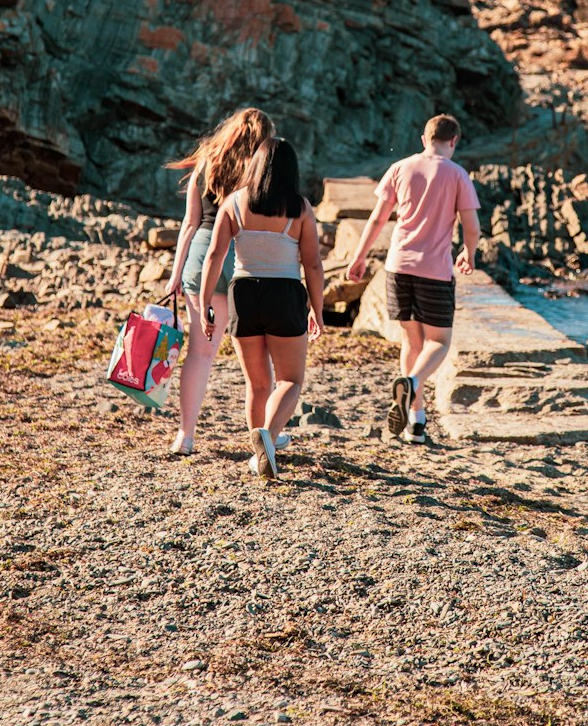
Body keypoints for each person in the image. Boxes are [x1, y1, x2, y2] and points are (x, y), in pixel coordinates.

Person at [347, 114, 480, 444]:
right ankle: (413, 383)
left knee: (411, 341)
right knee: (439, 342)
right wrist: (469, 252)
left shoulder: (400, 168)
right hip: (434, 271)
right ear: (454, 141)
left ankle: (415, 424)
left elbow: (378, 217)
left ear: (424, 138)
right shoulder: (458, 175)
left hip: (398, 267)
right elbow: (472, 226)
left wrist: (359, 256)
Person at [200, 137, 324, 480]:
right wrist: (318, 308)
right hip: (284, 293)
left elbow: (214, 255)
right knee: (290, 380)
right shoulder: (299, 208)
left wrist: (204, 303)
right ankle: (268, 436)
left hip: (244, 293)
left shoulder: (234, 204)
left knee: (257, 384)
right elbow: (312, 265)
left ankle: (261, 448)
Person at [162, 107, 274, 456]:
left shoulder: (205, 164)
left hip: (201, 253)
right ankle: (266, 431)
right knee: (256, 352)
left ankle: (186, 436)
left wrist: (175, 272)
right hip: (243, 254)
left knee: (200, 353)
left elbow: (189, 223)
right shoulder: (260, 168)